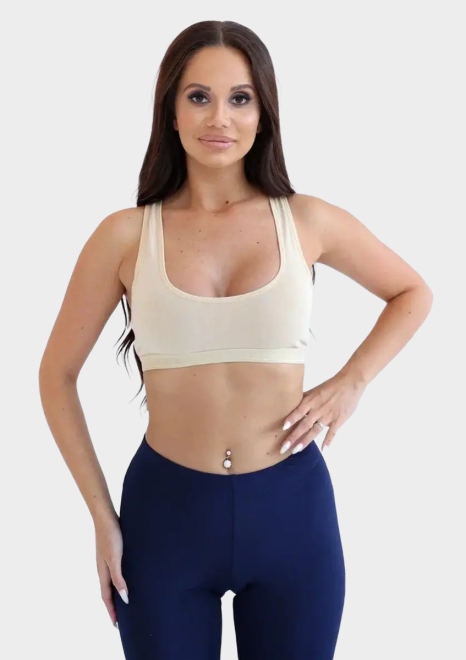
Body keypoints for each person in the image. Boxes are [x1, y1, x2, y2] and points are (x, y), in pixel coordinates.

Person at [38, 19, 433, 660]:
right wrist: (101, 517)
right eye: (198, 96)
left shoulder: (307, 220)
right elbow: (55, 375)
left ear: (263, 112)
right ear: (170, 112)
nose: (219, 117)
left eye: (239, 98)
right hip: (164, 518)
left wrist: (351, 382)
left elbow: (412, 292)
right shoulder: (125, 235)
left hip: (292, 514)